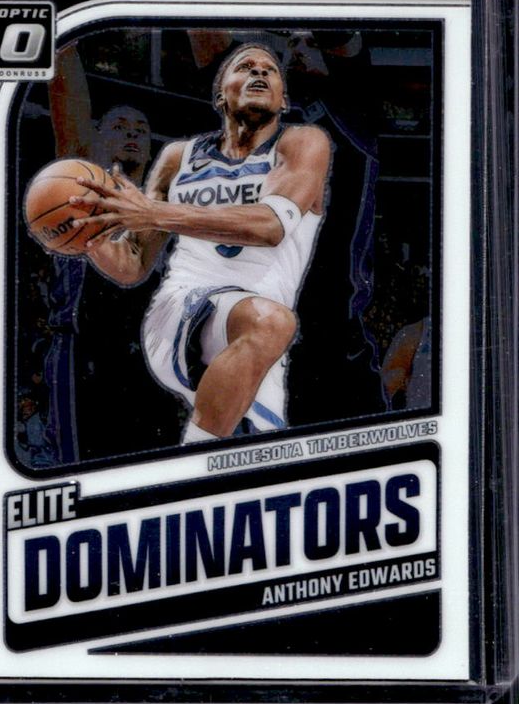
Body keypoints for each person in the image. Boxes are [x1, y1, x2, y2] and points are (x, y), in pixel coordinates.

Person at [69, 43, 332, 443]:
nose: (259, 72)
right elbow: (133, 264)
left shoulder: (302, 144)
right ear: (221, 95)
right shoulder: (179, 156)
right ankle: (194, 459)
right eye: (245, 66)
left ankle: (198, 462)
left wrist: (154, 212)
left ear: (284, 100)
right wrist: (85, 234)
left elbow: (270, 226)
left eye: (270, 70)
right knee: (272, 321)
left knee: (258, 454)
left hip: (255, 331)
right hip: (181, 308)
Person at [40, 43, 179, 464]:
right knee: (84, 472)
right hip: (86, 351)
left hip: (150, 358)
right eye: (120, 126)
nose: (133, 133)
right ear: (97, 137)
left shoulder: (162, 208)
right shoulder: (79, 185)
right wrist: (64, 47)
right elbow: (70, 113)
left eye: (141, 129)